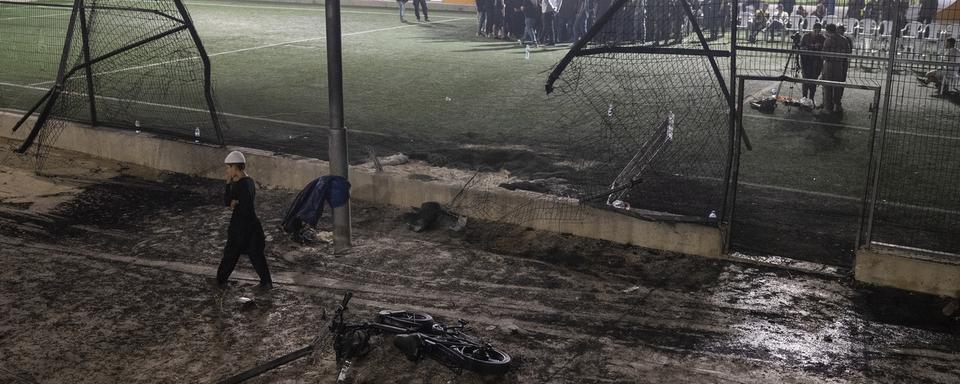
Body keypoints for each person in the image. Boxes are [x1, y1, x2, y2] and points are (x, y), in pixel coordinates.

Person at [217, 151, 272, 291]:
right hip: (250, 225)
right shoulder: (247, 182)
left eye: (229, 167)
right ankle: (266, 282)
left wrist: (234, 202)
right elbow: (228, 202)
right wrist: (229, 186)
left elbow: (237, 204)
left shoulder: (243, 184)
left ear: (235, 167)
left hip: (242, 225)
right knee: (255, 255)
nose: (227, 170)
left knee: (231, 253)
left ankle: (220, 281)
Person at [821, 23, 851, 114]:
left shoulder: (828, 40)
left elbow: (823, 55)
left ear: (828, 31)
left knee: (827, 86)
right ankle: (837, 106)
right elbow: (848, 52)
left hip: (829, 64)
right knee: (837, 86)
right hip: (840, 65)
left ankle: (828, 108)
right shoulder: (844, 40)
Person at [799, 22, 825, 108]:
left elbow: (824, 50)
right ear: (813, 29)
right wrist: (811, 47)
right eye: (815, 30)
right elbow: (801, 47)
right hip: (806, 60)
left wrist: (817, 47)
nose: (817, 32)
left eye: (818, 30)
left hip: (816, 62)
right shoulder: (806, 36)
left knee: (813, 80)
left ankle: (811, 98)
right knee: (805, 79)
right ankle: (804, 97)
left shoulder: (822, 38)